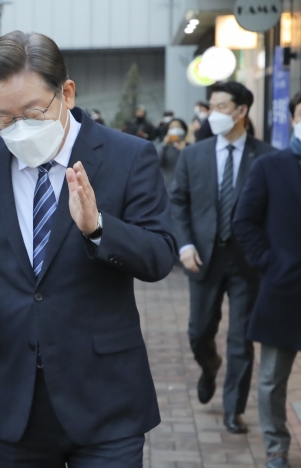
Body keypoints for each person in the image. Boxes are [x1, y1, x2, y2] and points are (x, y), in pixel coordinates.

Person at [0, 31, 177, 467]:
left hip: (106, 398)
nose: (20, 128)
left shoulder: (129, 156)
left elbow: (160, 254)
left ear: (66, 93)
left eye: (33, 111)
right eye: (4, 119)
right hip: (14, 397)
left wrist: (98, 227)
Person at [170, 81, 276, 435]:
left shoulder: (266, 156)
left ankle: (234, 408)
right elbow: (178, 203)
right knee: (199, 331)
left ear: (242, 111)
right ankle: (209, 364)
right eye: (211, 106)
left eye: (221, 107)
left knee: (242, 338)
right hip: (204, 256)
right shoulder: (193, 155)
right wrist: (184, 246)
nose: (212, 114)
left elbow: (276, 211)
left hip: (248, 261)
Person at [233, 90, 301, 468]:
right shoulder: (270, 167)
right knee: (273, 377)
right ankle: (276, 448)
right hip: (284, 286)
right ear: (292, 118)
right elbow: (244, 221)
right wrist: (270, 263)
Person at [159, 118, 188, 188]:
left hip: (185, 186)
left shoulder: (190, 147)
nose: (175, 129)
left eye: (178, 127)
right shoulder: (164, 147)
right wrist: (164, 145)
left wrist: (184, 149)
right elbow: (156, 162)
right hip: (167, 186)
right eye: (172, 127)